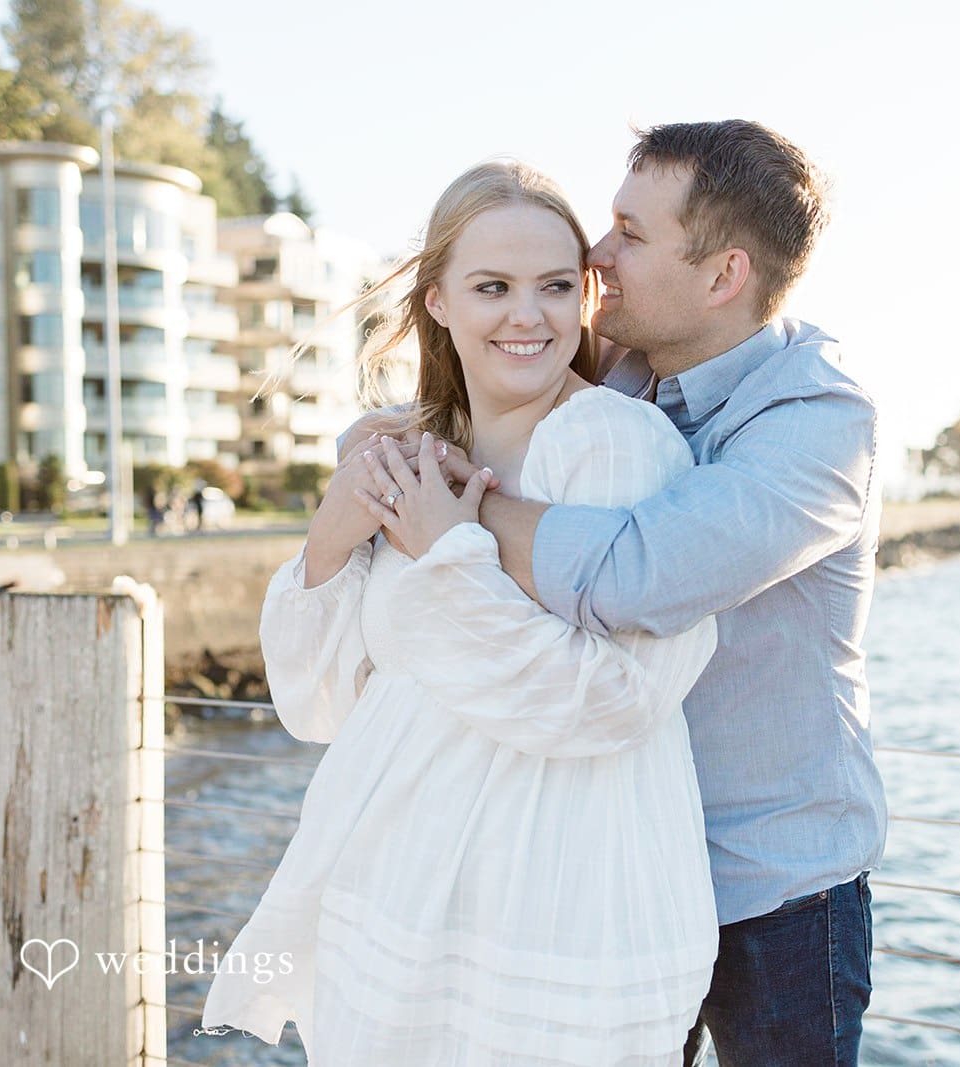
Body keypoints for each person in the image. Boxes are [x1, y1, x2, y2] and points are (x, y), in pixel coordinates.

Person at [360, 120, 886, 1065]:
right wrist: (394, 445)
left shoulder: (819, 422)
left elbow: (632, 576)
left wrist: (458, 517)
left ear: (724, 276)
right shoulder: (629, 370)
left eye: (630, 235)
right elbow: (493, 395)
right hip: (625, 863)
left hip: (773, 885)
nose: (595, 258)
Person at [200, 161, 720, 1066]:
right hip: (396, 899)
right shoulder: (405, 450)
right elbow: (318, 701)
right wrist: (334, 529)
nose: (530, 315)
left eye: (557, 286)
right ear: (437, 299)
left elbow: (612, 700)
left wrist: (451, 547)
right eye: (493, 287)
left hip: (554, 915)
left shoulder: (614, 445)